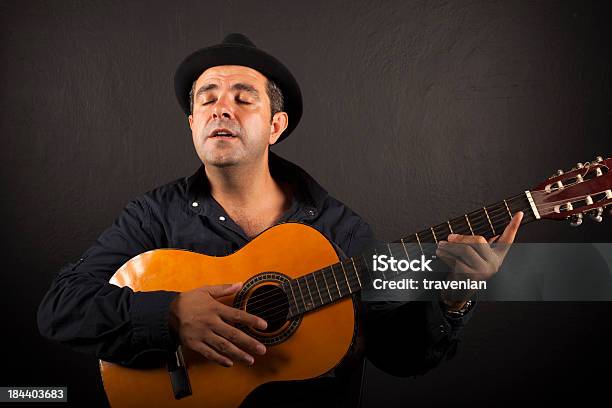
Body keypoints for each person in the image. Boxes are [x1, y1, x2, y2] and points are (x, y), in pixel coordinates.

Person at [37, 33, 522, 407]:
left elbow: (402, 356)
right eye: (206, 98)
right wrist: (169, 315)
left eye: (244, 97)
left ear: (275, 125)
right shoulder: (152, 216)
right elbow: (60, 307)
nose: (220, 107)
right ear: (192, 123)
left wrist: (456, 295)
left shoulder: (341, 230)